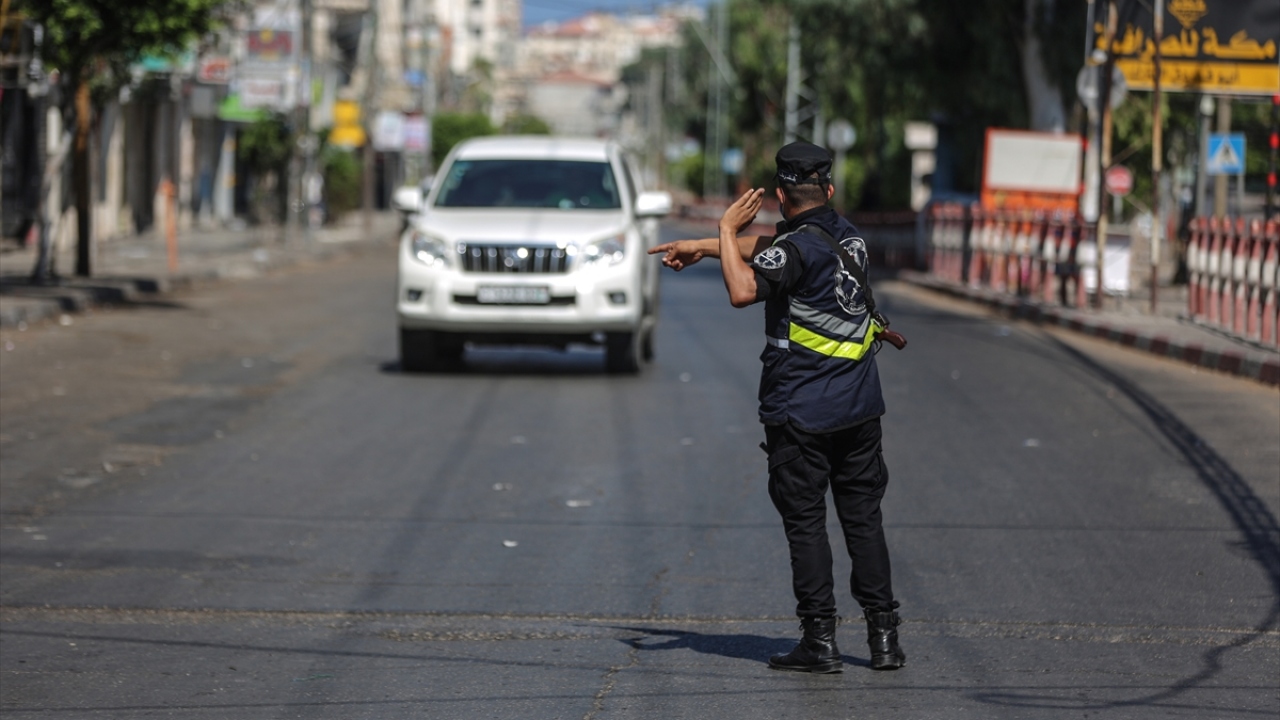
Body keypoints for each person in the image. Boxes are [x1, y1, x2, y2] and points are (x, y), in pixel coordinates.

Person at [649, 141, 906, 674]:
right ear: (828, 190)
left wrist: (725, 230)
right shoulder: (847, 237)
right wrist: (705, 245)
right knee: (863, 521)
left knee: (806, 524)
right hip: (861, 407)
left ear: (781, 196)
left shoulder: (794, 249)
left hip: (802, 411)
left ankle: (819, 641)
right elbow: (773, 247)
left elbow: (745, 290)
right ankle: (885, 639)